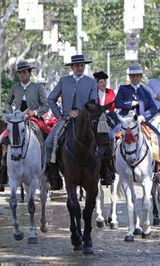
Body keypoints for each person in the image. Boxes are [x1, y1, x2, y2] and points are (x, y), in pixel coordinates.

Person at [45, 55, 97, 190]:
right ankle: (54, 176)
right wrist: (60, 115)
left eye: (81, 65)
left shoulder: (91, 82)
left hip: (86, 118)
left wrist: (80, 113)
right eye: (77, 65)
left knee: (106, 137)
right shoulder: (64, 81)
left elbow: (93, 102)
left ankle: (105, 172)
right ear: (72, 67)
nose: (79, 68)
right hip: (66, 118)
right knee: (49, 142)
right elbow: (51, 99)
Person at [0, 60, 49, 185]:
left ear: (29, 73)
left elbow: (46, 105)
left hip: (33, 119)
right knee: (1, 140)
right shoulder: (14, 87)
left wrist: (35, 112)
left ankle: (49, 168)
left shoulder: (38, 87)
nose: (22, 75)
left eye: (24, 72)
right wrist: (12, 114)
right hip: (17, 120)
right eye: (20, 73)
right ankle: (3, 169)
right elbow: (7, 102)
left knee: (47, 137)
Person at [115, 64, 160, 173]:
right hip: (125, 121)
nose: (135, 78)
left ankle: (159, 167)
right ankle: (110, 166)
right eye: (133, 76)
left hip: (141, 121)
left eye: (137, 76)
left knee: (158, 137)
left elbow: (153, 108)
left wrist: (143, 116)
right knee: (110, 136)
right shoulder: (123, 89)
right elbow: (117, 103)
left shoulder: (146, 90)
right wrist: (131, 103)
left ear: (141, 77)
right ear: (129, 77)